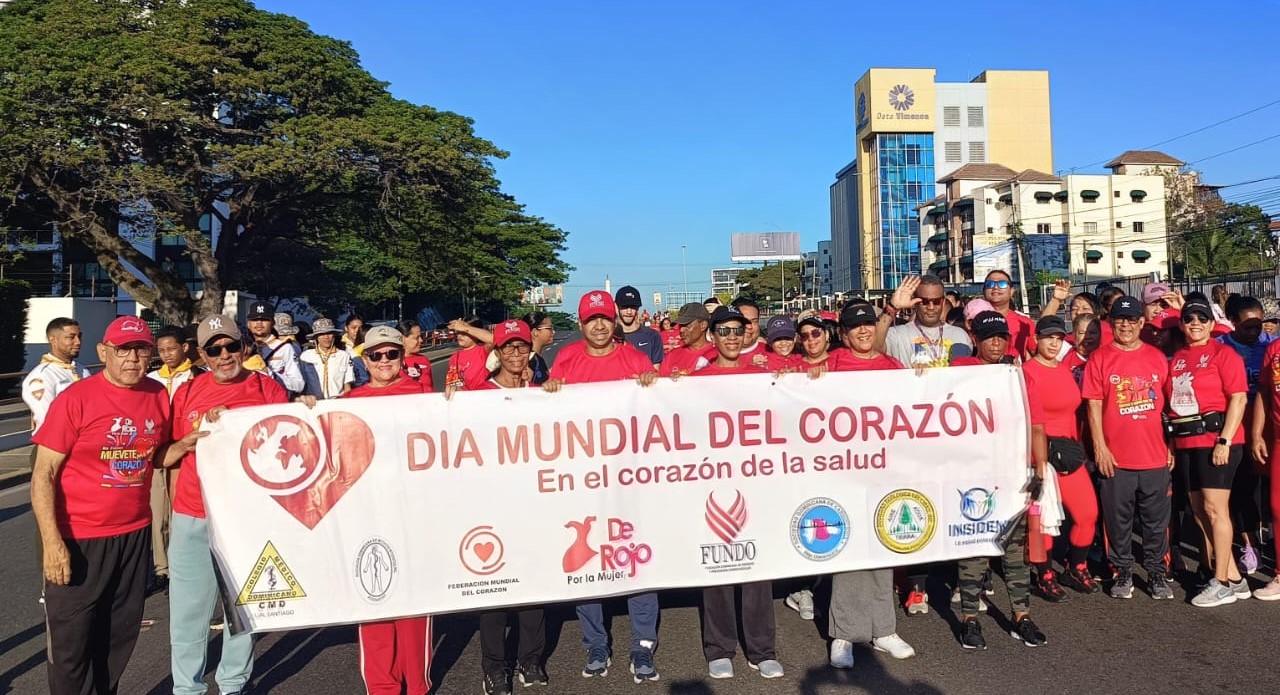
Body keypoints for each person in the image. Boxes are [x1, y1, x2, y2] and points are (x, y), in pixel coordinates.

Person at [32, 316, 196, 694]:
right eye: (124, 350)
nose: (133, 359)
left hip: (133, 535)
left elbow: (155, 455)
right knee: (72, 646)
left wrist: (183, 447)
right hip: (79, 537)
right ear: (104, 352)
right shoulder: (76, 399)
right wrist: (53, 543)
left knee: (117, 640)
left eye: (142, 350)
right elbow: (43, 475)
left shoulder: (157, 395)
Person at [167, 315, 292, 695]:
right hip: (193, 513)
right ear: (201, 355)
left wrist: (304, 408)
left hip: (247, 518)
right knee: (189, 613)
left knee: (243, 608)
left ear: (244, 346)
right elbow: (168, 454)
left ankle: (233, 684)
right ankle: (186, 688)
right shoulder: (186, 393)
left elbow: (286, 446)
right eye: (214, 350)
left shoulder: (267, 388)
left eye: (231, 346)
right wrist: (191, 437)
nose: (224, 356)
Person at [544, 290, 661, 683]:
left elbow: (661, 411)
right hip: (583, 480)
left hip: (631, 480)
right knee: (586, 560)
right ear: (581, 324)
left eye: (605, 319)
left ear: (614, 323)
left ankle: (643, 645)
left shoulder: (635, 359)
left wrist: (654, 384)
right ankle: (595, 642)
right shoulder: (566, 359)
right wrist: (549, 395)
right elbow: (546, 420)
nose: (599, 325)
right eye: (591, 319)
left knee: (637, 559)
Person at [683, 306, 783, 680]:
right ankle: (720, 647)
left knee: (758, 566)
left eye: (736, 331)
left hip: (755, 481)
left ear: (746, 336)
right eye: (722, 331)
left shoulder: (764, 377)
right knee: (718, 565)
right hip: (712, 481)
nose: (730, 337)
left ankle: (762, 649)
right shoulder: (696, 380)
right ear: (712, 336)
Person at [341, 326, 435, 695]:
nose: (384, 361)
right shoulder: (350, 401)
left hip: (412, 515)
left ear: (402, 357)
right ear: (365, 360)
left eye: (391, 354)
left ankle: (417, 685)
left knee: (414, 606)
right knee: (374, 601)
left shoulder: (424, 396)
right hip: (368, 516)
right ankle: (382, 686)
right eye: (376, 355)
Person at [822, 303, 916, 667]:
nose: (863, 331)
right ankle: (843, 634)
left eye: (868, 324)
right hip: (842, 469)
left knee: (882, 545)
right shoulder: (830, 364)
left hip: (885, 468)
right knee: (847, 551)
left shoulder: (892, 366)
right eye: (854, 327)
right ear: (843, 334)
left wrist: (925, 379)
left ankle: (883, 629)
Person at [949, 311, 1047, 648]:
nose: (995, 342)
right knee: (974, 547)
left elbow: (1036, 426)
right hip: (971, 475)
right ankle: (969, 619)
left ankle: (1022, 617)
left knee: (1014, 552)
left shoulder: (1017, 375)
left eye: (1001, 336)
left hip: (1012, 473)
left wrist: (1040, 469)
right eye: (988, 336)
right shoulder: (959, 371)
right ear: (974, 338)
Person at [465, 320, 548, 694]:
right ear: (496, 353)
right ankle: (495, 667)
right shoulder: (477, 394)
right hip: (489, 505)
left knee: (534, 587)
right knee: (494, 591)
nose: (515, 355)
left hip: (532, 503)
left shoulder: (539, 392)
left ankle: (531, 659)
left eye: (521, 347)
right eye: (508, 348)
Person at [1082, 296, 1175, 600]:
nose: (1125, 325)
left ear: (1141, 323)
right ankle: (1122, 571)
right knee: (1117, 520)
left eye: (1131, 320)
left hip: (1153, 456)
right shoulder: (1100, 358)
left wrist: (1170, 445)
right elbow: (1094, 405)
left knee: (1156, 521)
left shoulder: (1157, 358)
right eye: (1119, 320)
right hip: (1116, 458)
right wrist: (1100, 448)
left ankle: (1157, 572)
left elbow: (1169, 407)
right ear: (1112, 323)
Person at [1167, 297, 1251, 606]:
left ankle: (1222, 581)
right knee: (1200, 513)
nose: (1196, 324)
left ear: (1212, 324)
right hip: (1187, 442)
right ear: (1182, 324)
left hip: (1217, 440)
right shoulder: (1176, 359)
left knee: (1216, 510)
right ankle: (1235, 577)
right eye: (1190, 319)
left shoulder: (1223, 354)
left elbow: (1239, 399)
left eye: (1202, 318)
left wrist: (1225, 440)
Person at [1023, 315, 1101, 598]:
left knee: (1087, 513)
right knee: (1043, 520)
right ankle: (1043, 574)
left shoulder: (1065, 369)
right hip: (1039, 453)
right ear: (1036, 340)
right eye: (1048, 338)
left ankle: (1075, 566)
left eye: (1058, 338)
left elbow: (1070, 412)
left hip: (1068, 451)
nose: (1054, 343)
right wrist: (1038, 463)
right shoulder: (1026, 371)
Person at [145, 325, 205, 594]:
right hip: (158, 449)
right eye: (161, 350)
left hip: (186, 449)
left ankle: (182, 566)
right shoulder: (152, 378)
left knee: (180, 510)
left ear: (184, 348)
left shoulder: (199, 377)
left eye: (171, 349)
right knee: (157, 512)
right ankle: (161, 569)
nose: (167, 354)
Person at [1217, 296, 1274, 575]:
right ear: (1233, 323)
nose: (1254, 332)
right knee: (1242, 489)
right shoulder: (1222, 348)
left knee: (1268, 491)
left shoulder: (1271, 347)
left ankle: (1271, 537)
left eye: (1258, 326)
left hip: (1269, 428)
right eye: (1247, 326)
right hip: (1237, 427)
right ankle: (1249, 545)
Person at [881, 275, 973, 368]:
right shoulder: (898, 335)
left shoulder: (960, 335)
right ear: (915, 301)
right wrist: (892, 307)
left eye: (936, 301)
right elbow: (875, 348)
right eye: (925, 301)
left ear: (943, 302)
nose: (931, 307)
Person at [22, 317, 90, 434]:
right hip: (56, 446)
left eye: (79, 336)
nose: (78, 342)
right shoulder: (43, 376)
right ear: (53, 340)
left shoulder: (83, 371)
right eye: (71, 337)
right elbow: (46, 420)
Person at [244, 301, 305, 396]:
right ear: (248, 324)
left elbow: (299, 384)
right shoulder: (240, 348)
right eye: (254, 320)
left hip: (275, 402)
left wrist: (271, 375)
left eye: (264, 319)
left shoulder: (285, 347)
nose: (259, 323)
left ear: (273, 323)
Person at [980, 270, 1035, 358]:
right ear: (984, 291)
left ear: (1011, 291)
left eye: (1002, 284)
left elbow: (1038, 354)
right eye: (990, 284)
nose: (995, 288)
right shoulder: (974, 321)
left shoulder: (1024, 322)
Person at [299, 318, 355, 399]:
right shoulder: (306, 356)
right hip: (314, 402)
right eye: (321, 334)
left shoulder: (344, 356)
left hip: (337, 401)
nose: (326, 337)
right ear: (316, 337)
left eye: (329, 333)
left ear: (334, 335)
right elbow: (302, 385)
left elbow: (347, 385)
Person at [615, 285, 665, 367]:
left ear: (638, 308)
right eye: (624, 306)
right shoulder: (609, 337)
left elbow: (655, 371)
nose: (629, 311)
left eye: (633, 307)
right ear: (617, 306)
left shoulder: (652, 336)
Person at [659, 303, 711, 377]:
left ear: (703, 325)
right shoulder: (671, 356)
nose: (681, 330)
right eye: (680, 326)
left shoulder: (718, 354)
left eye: (687, 325)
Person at [446, 317, 493, 391]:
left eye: (464, 333)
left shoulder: (482, 351)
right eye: (458, 332)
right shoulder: (454, 357)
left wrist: (465, 327)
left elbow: (493, 340)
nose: (460, 336)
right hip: (465, 399)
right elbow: (451, 382)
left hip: (482, 397)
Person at [398, 319, 435, 390]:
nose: (421, 340)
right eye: (416, 338)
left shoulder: (424, 360)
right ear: (402, 339)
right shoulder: (392, 362)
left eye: (420, 337)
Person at [525, 311, 555, 385]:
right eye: (549, 328)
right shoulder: (529, 360)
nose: (553, 332)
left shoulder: (537, 358)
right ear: (535, 332)